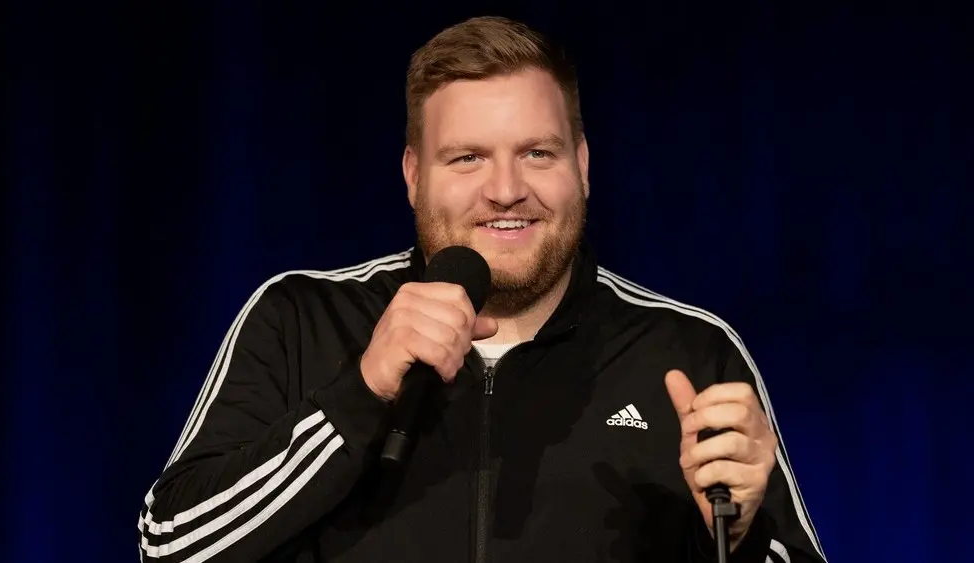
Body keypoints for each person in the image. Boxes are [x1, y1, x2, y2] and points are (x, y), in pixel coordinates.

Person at [137, 15, 826, 563]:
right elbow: (169, 546)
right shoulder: (301, 320)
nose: (505, 189)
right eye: (467, 157)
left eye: (537, 153)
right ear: (414, 175)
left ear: (583, 166)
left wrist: (739, 537)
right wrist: (360, 393)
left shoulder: (688, 351)